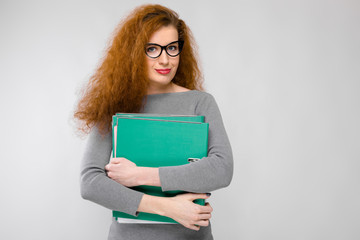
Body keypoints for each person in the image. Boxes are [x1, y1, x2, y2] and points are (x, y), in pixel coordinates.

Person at [74, 4, 233, 240]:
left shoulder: (200, 102)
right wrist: (167, 207)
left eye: (171, 48)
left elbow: (222, 169)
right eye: (152, 49)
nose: (165, 60)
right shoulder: (113, 104)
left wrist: (141, 175)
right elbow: (90, 182)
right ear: (134, 52)